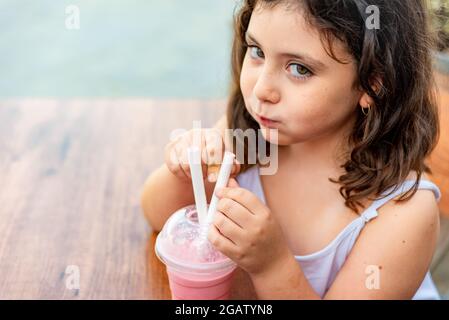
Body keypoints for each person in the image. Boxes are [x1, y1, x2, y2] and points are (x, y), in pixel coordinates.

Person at [141, 0, 442, 299]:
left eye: (298, 68)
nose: (262, 89)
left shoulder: (404, 212)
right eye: (257, 51)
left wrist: (272, 266)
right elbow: (157, 215)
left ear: (373, 85)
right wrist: (185, 171)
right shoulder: (250, 134)